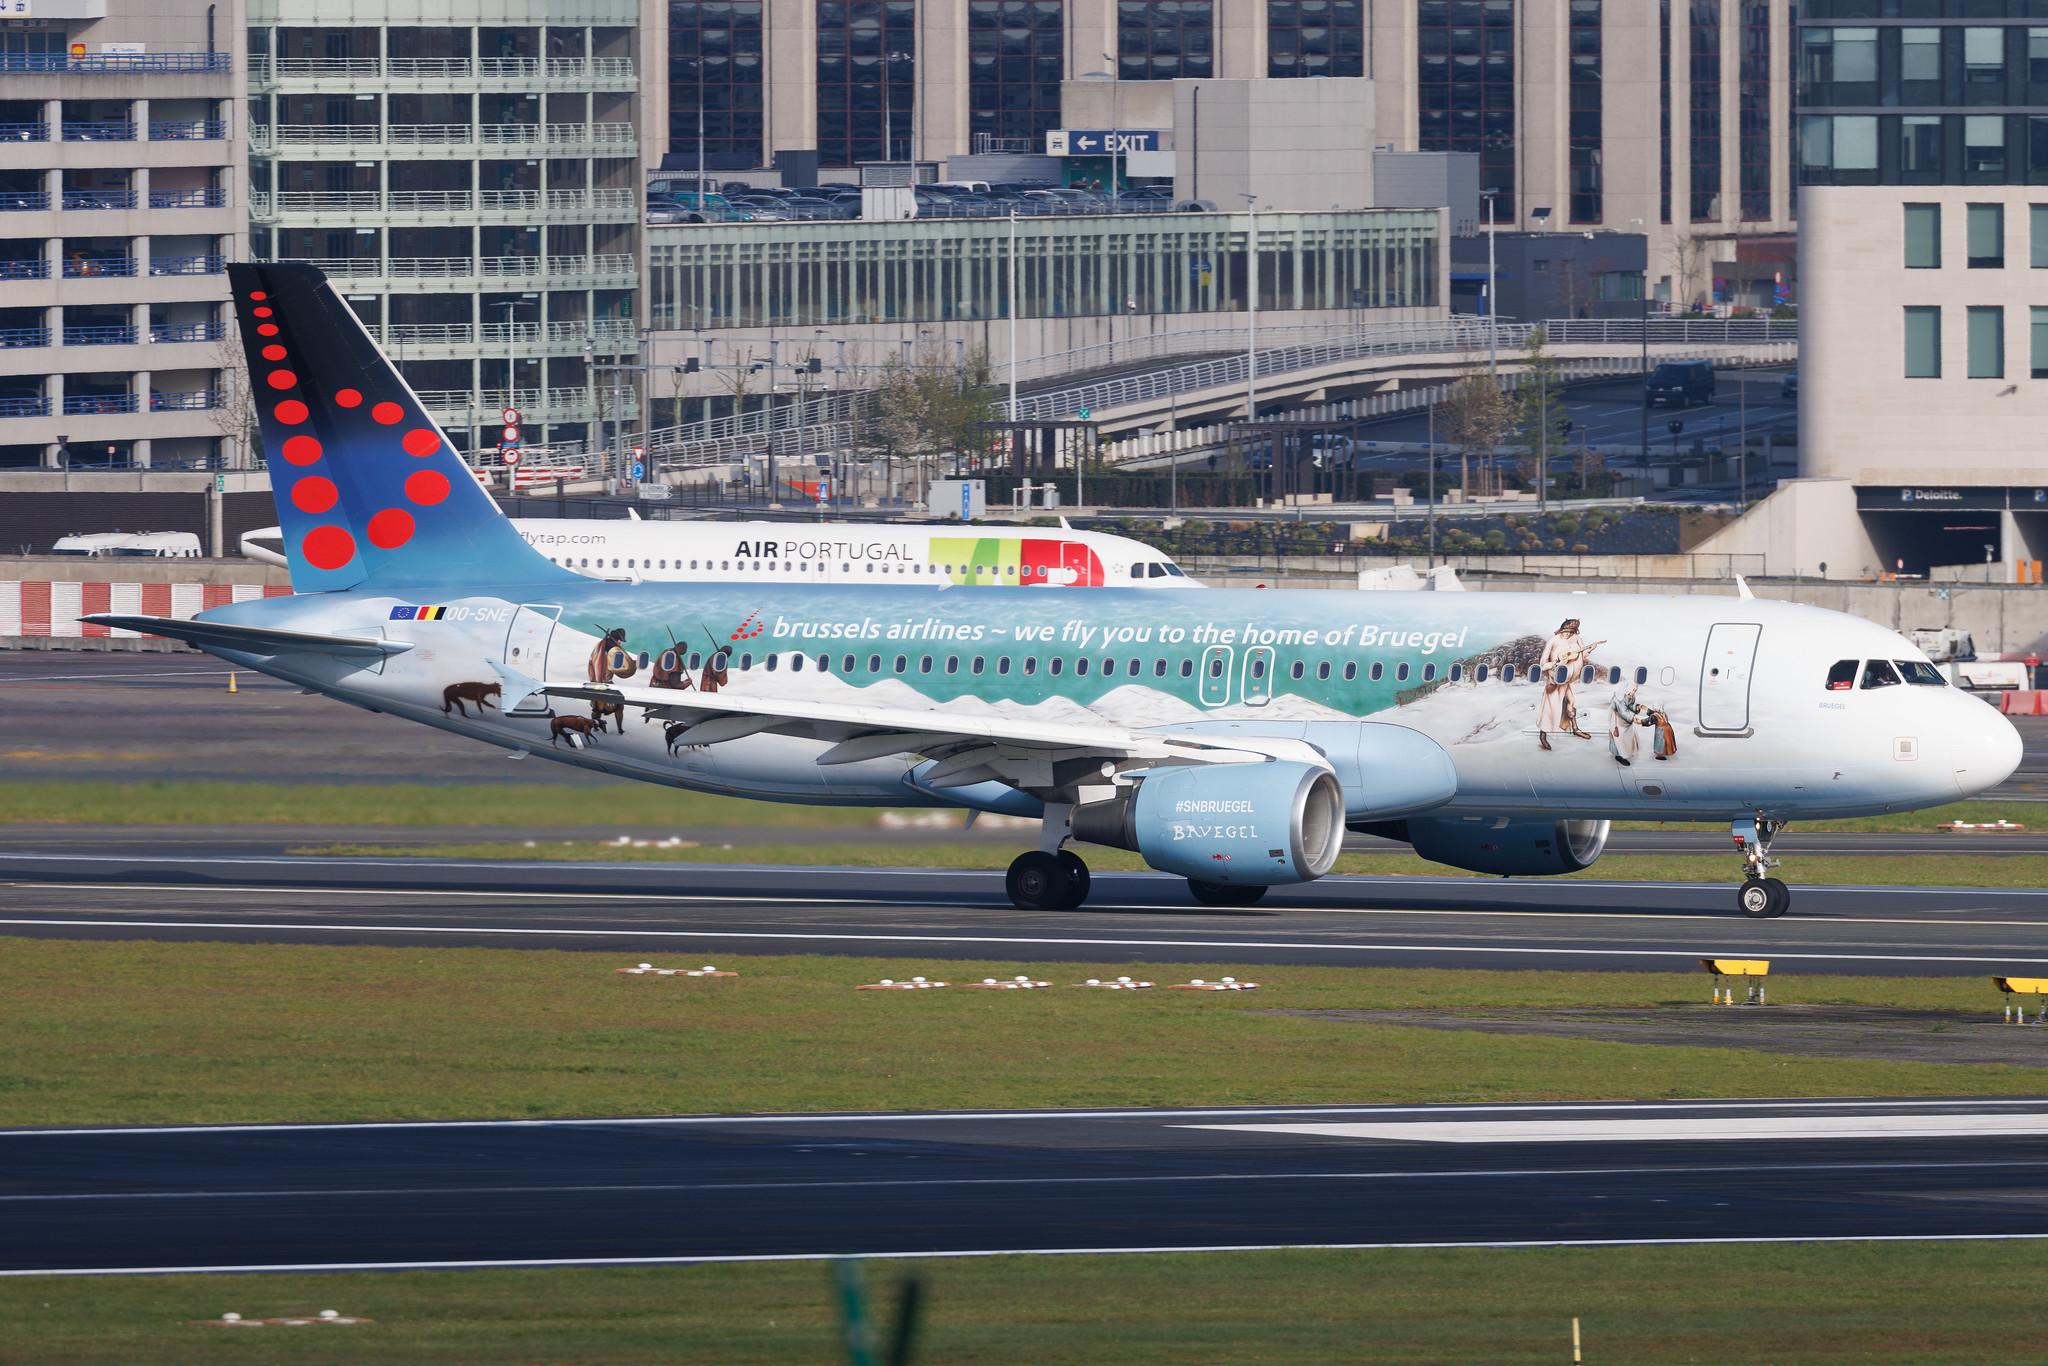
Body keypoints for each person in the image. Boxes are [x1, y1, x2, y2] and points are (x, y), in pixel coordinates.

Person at [1536, 618, 1601, 751]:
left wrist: (1591, 649)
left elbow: (1582, 654)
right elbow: (1543, 664)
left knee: (1571, 704)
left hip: (1568, 681)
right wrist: (1556, 663)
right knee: (1550, 708)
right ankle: (1543, 736)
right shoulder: (1553, 641)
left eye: (1569, 632)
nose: (1566, 634)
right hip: (1556, 681)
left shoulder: (1577, 638)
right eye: (1564, 631)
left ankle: (1575, 729)